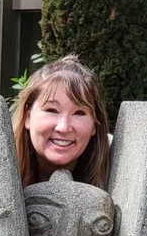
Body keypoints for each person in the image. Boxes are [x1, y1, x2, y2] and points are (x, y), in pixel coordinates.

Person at [12, 55, 110, 189]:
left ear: (95, 123)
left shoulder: (117, 173)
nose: (63, 127)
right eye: (52, 110)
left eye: (79, 113)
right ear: (27, 117)